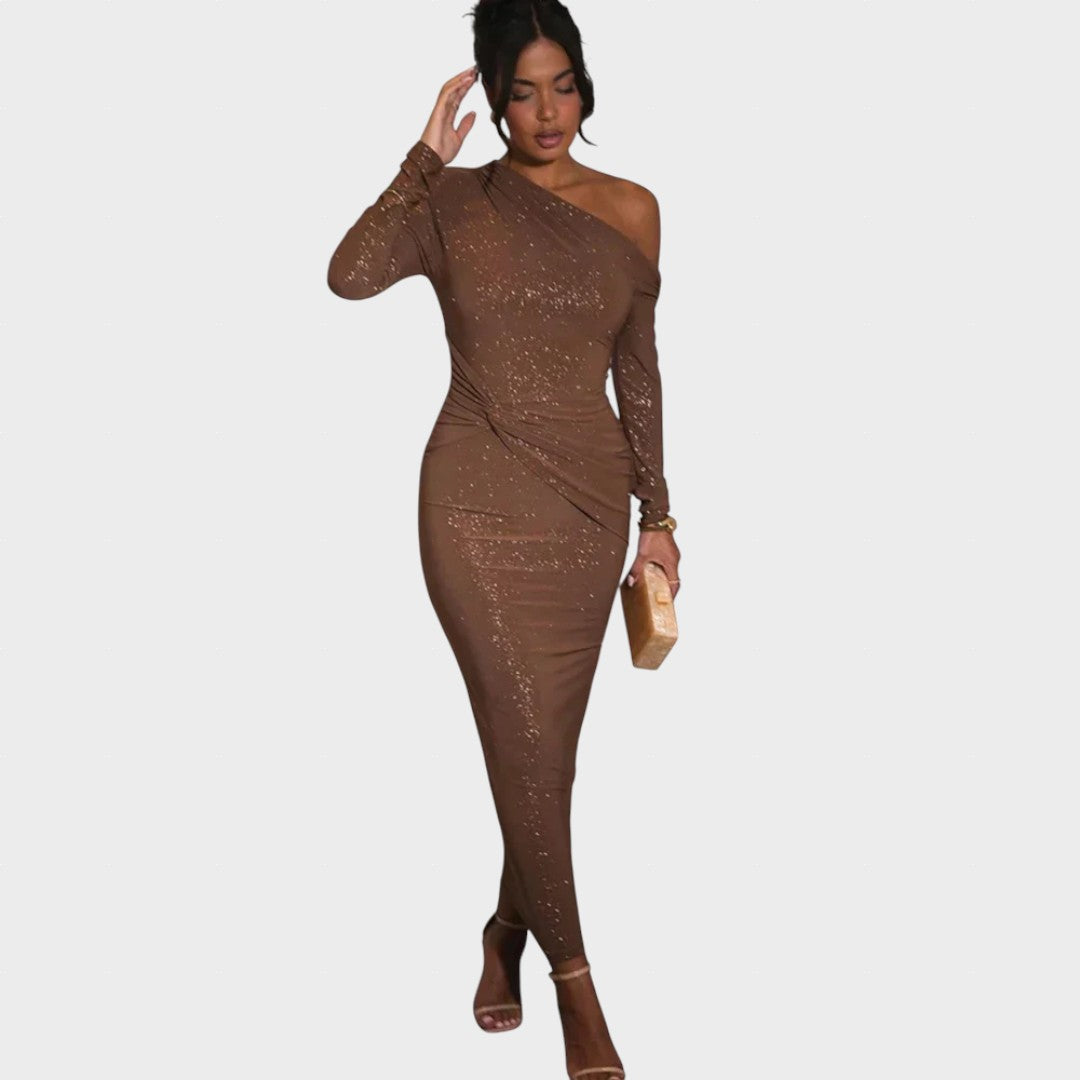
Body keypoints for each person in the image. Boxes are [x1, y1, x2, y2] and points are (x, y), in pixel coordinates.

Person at [327, 3, 680, 1077]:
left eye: (562, 85)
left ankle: (504, 931)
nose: (546, 111)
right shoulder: (454, 202)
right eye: (521, 92)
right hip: (473, 503)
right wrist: (422, 161)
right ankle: (578, 982)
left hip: (588, 510)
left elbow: (640, 372)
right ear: (490, 97)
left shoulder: (633, 208)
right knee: (523, 736)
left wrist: (660, 518)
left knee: (545, 757)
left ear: (585, 86)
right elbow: (349, 273)